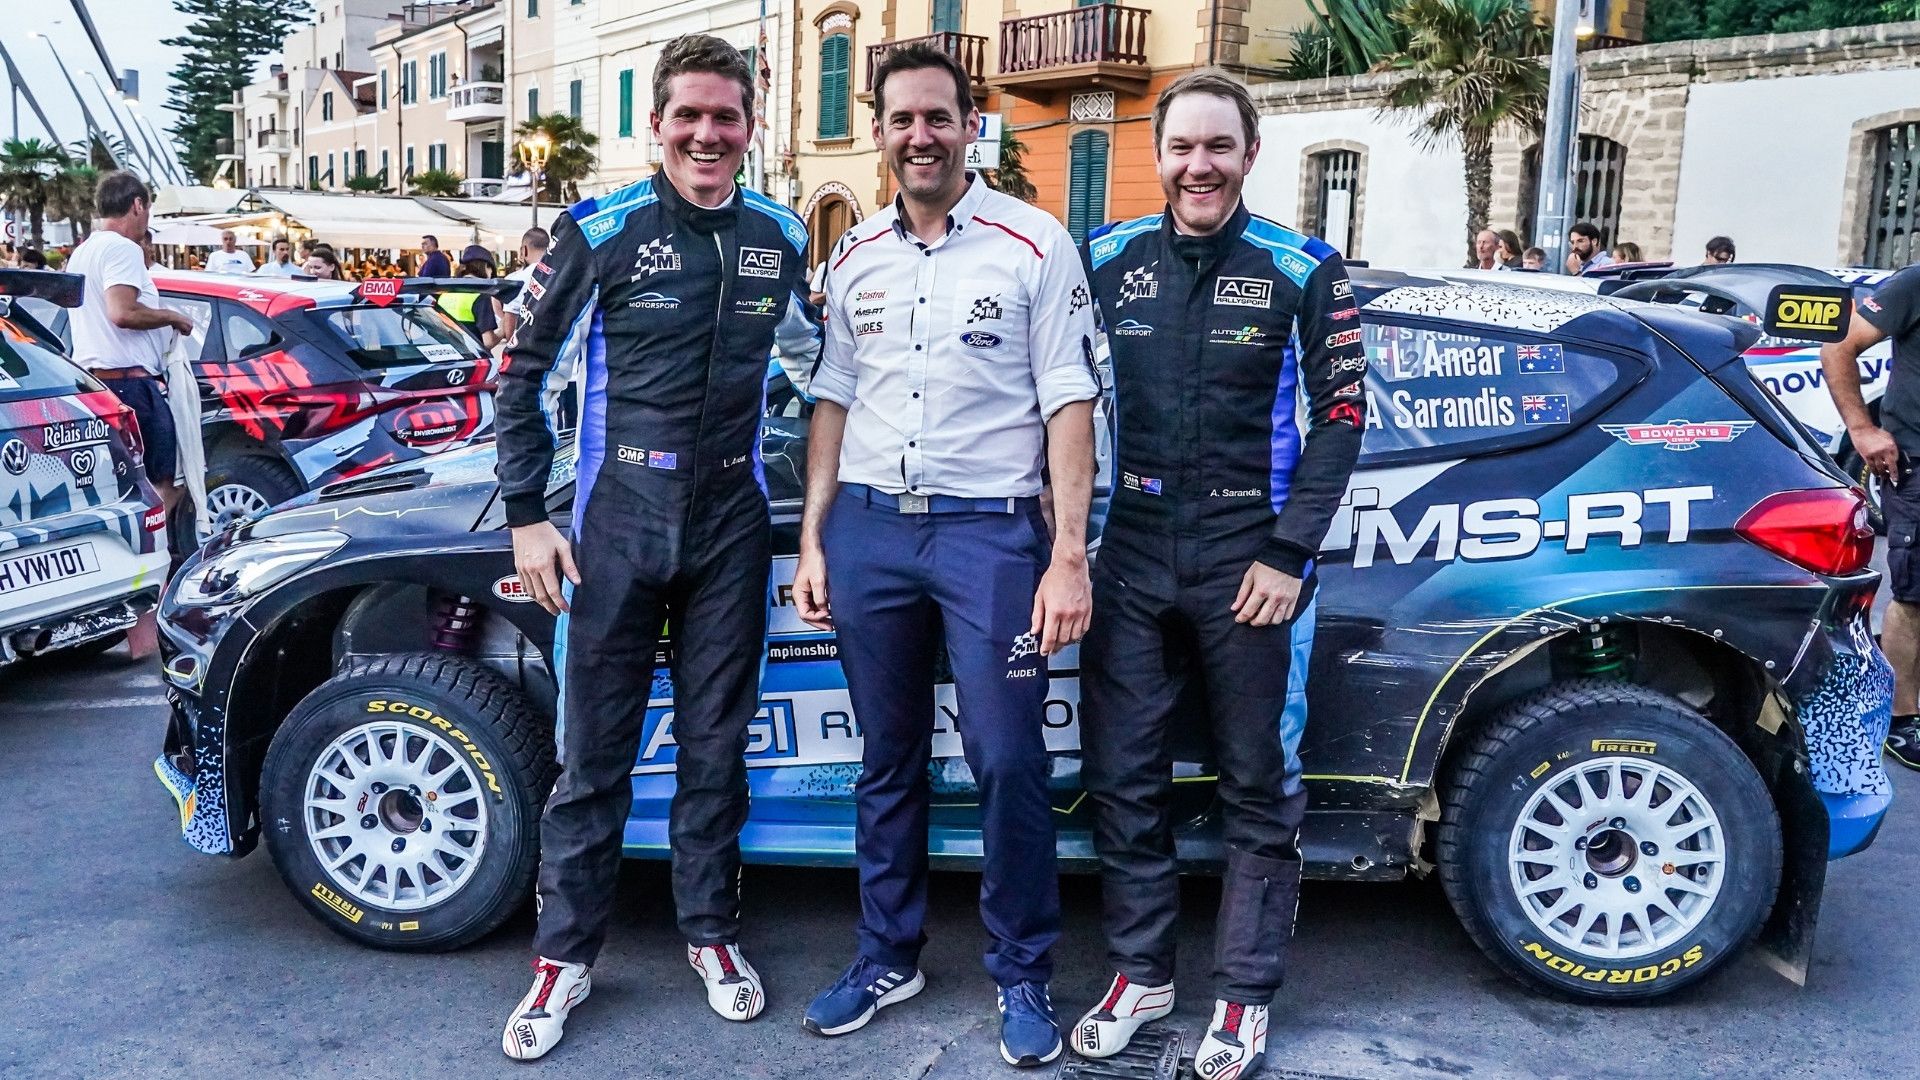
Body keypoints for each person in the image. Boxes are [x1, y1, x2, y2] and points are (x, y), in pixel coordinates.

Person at [493, 34, 821, 1060]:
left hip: (730, 517)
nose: (707, 134)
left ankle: (711, 935)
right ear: (658, 125)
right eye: (689, 115)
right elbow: (523, 372)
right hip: (619, 516)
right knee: (595, 756)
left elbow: (817, 367)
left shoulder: (779, 233)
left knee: (716, 751)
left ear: (751, 126)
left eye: (726, 116)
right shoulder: (600, 230)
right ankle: (564, 958)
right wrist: (528, 514)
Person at [790, 41, 1098, 1068]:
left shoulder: (1034, 241)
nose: (919, 136)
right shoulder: (853, 254)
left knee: (1008, 759)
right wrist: (815, 539)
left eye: (938, 117)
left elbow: (1070, 400)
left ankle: (1023, 969)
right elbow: (833, 398)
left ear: (972, 125)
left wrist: (1067, 554)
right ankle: (888, 955)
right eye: (901, 119)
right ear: (879, 132)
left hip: (991, 537)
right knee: (886, 758)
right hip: (870, 531)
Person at [1070, 69, 1367, 1077]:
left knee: (1256, 786)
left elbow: (1343, 419)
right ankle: (1141, 973)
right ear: (1157, 155)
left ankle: (1243, 994)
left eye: (1219, 147)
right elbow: (1054, 392)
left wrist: (1289, 551)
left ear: (1250, 154)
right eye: (1182, 147)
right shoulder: (1105, 257)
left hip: (1252, 558)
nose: (1200, 166)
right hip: (1133, 549)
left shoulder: (1303, 266)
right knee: (1122, 778)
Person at [1821, 267, 1920, 770]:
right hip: (1917, 464)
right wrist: (1862, 429)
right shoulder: (1915, 284)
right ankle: (1902, 720)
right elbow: (1838, 345)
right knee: (1916, 596)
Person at [67, 172, 195, 517]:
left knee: (123, 488)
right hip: (131, 385)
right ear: (138, 205)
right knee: (167, 483)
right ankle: (153, 547)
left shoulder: (82, 252)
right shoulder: (123, 248)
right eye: (148, 210)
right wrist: (173, 317)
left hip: (96, 385)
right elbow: (122, 312)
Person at [498, 225, 549, 348]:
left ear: (523, 250)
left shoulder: (515, 281)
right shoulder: (561, 274)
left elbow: (510, 329)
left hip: (526, 351)